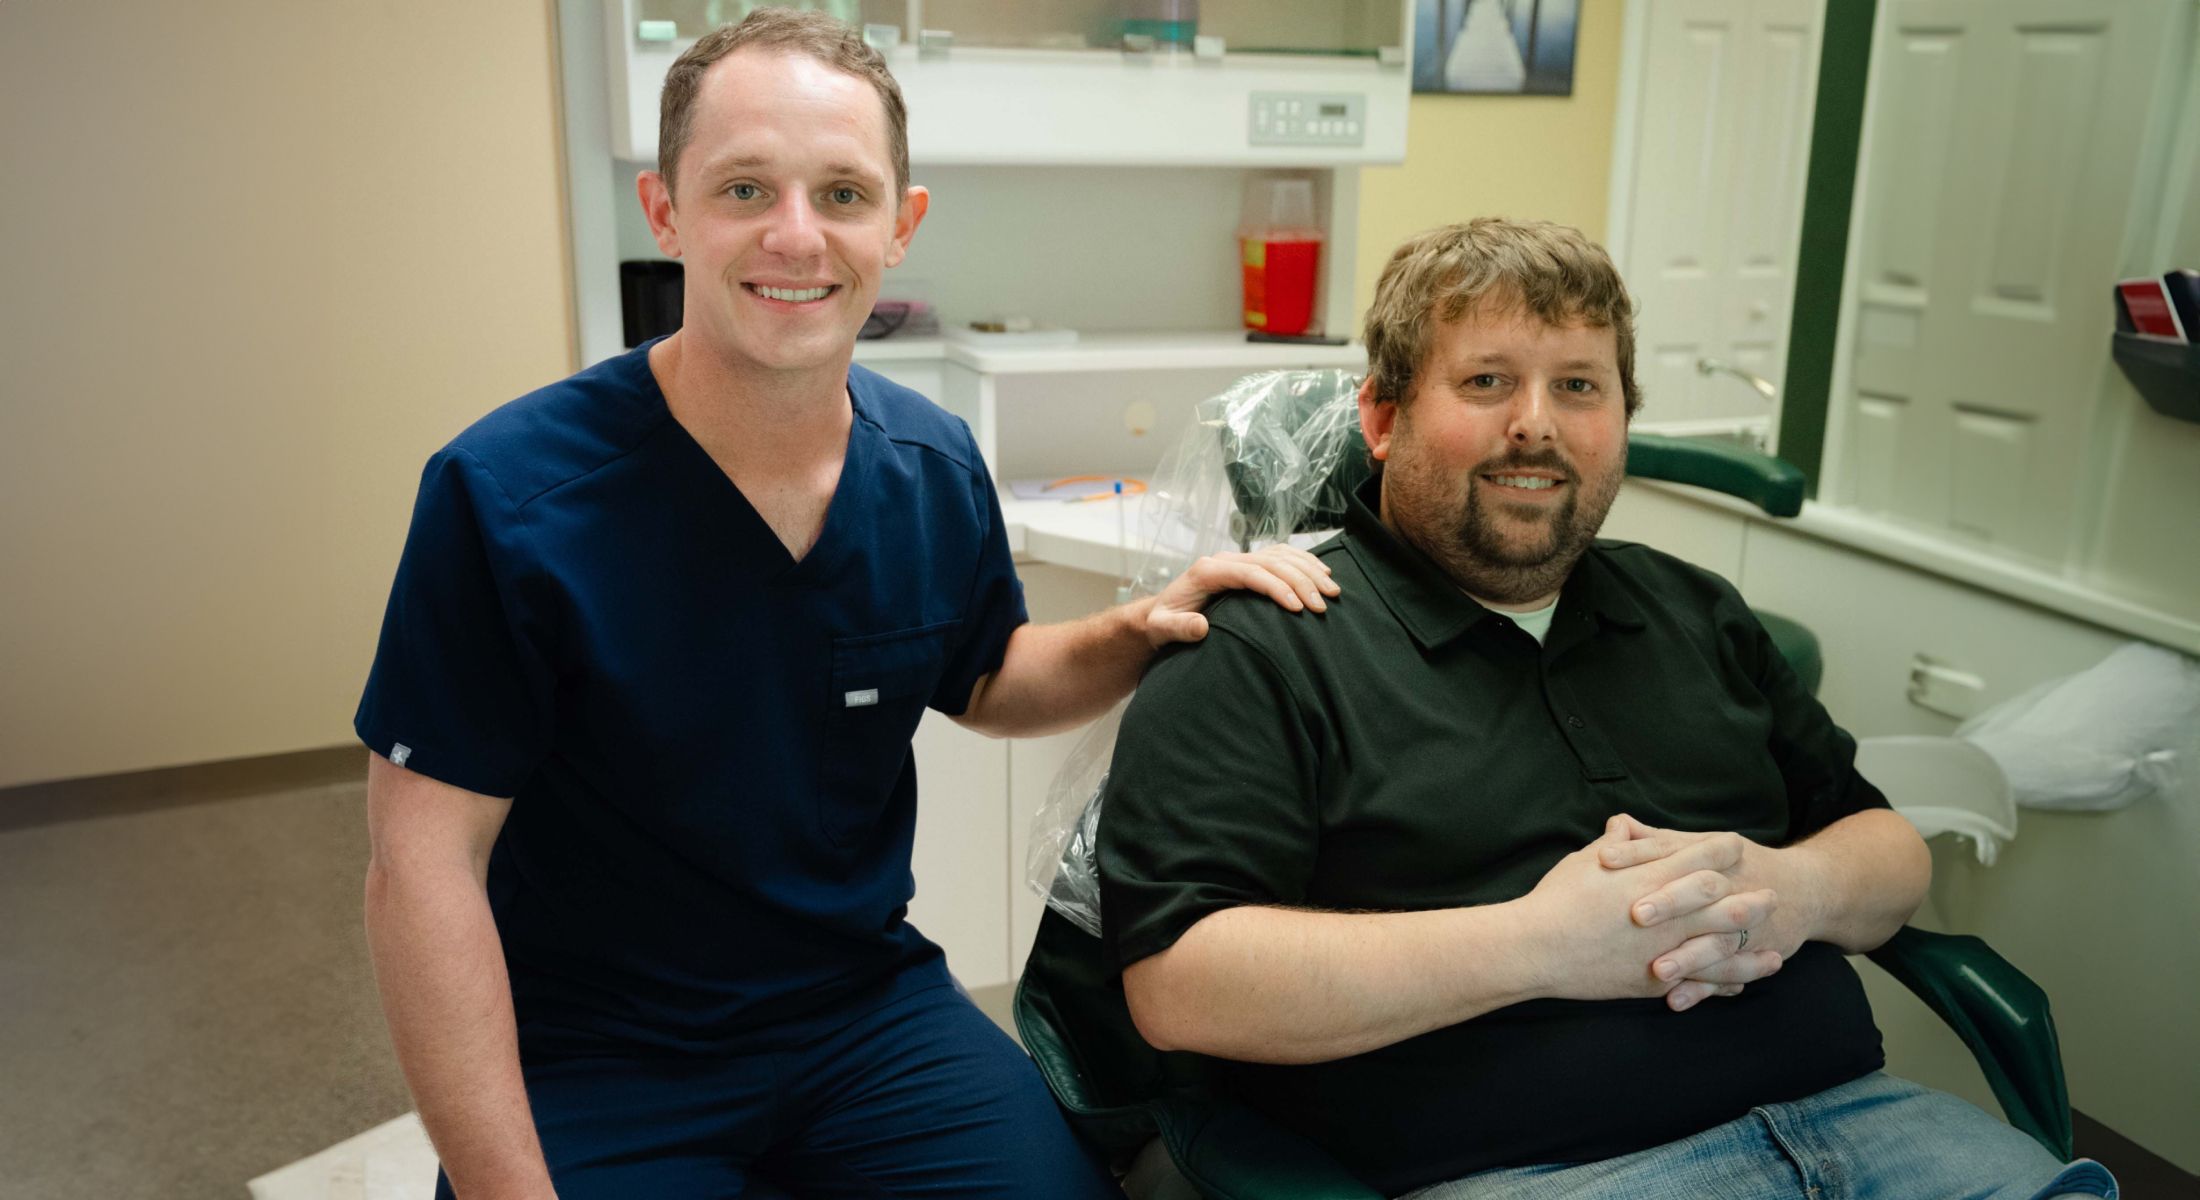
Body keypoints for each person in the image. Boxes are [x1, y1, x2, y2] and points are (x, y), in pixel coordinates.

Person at [355, 11, 1338, 1198]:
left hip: (858, 1013)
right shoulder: (510, 496)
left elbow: (985, 678)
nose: (795, 235)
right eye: (743, 188)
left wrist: (1140, 627)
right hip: (597, 1046)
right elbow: (421, 872)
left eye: (841, 192)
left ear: (900, 225)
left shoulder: (927, 465)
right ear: (664, 210)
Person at [1097, 218, 2117, 1199]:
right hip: (1540, 1173)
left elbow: (1886, 848)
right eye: (1486, 380)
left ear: (1621, 419)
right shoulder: (1266, 644)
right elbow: (1180, 986)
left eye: (1578, 386)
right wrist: (1542, 944)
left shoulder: (1694, 611)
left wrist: (1790, 888)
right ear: (1382, 417)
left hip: (1874, 1127)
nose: (1534, 421)